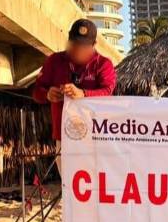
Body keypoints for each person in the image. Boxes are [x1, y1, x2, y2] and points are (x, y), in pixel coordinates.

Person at [33, 19, 116, 170]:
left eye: (83, 46)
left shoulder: (103, 64)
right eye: (75, 44)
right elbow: (36, 92)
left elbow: (108, 94)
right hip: (64, 136)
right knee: (67, 183)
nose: (78, 50)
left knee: (95, 183)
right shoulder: (54, 61)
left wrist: (84, 94)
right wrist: (47, 94)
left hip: (94, 137)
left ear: (93, 45)